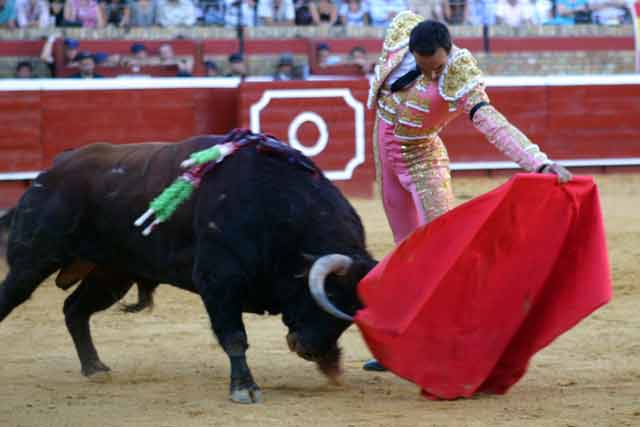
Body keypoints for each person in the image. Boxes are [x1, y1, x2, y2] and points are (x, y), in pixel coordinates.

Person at [363, 11, 572, 372]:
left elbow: (492, 123)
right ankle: (405, 342)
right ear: (412, 50)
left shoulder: (460, 72)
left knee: (446, 257)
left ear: (450, 51)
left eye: (437, 67)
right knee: (407, 253)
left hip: (422, 160)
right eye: (425, 65)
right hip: (385, 156)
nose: (431, 74)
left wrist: (538, 163)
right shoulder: (400, 32)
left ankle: (459, 344)